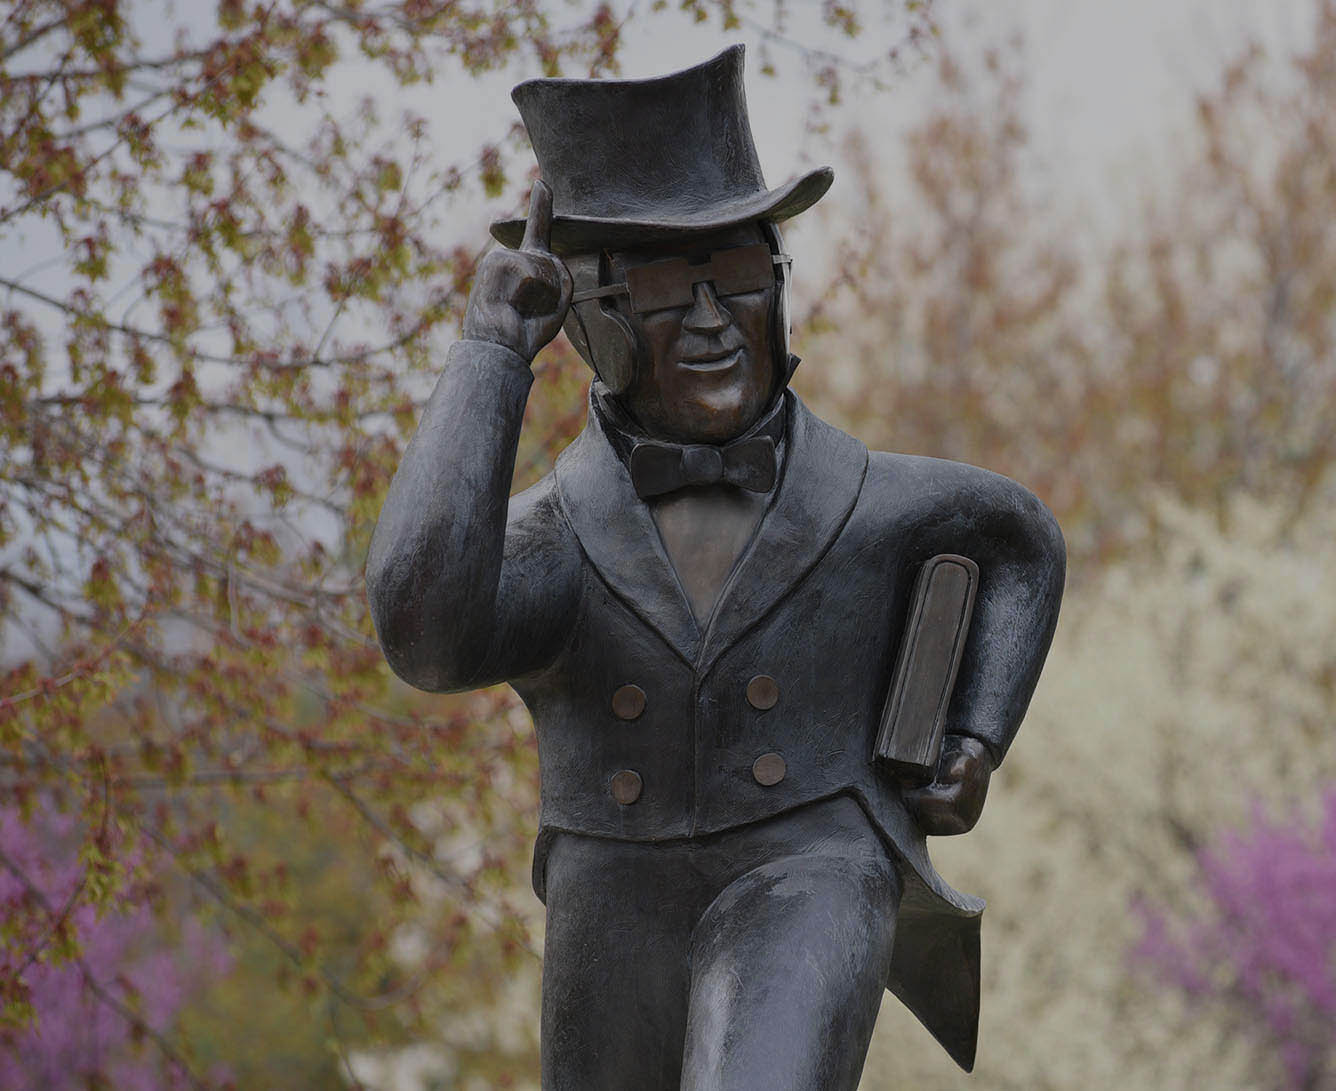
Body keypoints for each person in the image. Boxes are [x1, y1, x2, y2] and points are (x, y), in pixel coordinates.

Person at [365, 46, 1065, 1090]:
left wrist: (974, 737)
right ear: (587, 319)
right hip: (611, 892)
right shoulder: (556, 544)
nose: (706, 320)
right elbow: (423, 631)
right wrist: (489, 352)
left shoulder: (879, 504)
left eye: (737, 276)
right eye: (659, 289)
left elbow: (1020, 540)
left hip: (812, 864)